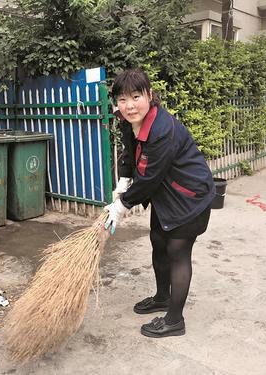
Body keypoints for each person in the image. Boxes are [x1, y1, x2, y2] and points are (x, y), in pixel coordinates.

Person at [104, 68, 215, 338]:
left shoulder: (163, 129)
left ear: (149, 96)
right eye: (122, 99)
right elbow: (130, 153)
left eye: (135, 96)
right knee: (158, 242)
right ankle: (162, 297)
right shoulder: (127, 120)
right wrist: (123, 182)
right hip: (166, 196)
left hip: (190, 196)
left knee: (178, 251)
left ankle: (175, 320)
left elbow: (151, 176)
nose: (129, 105)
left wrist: (121, 206)